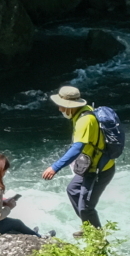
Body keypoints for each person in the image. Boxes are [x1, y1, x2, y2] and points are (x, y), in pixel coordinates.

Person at [42, 86, 115, 237]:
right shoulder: (83, 111)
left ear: (70, 106)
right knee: (73, 190)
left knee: (86, 207)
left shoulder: (85, 120)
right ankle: (88, 227)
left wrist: (54, 167)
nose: (60, 109)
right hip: (89, 165)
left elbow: (77, 148)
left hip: (99, 169)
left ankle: (97, 240)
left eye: (62, 106)